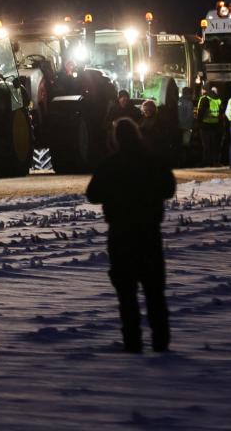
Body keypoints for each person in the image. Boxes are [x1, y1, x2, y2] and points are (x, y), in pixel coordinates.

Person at [86, 118, 175, 353]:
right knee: (154, 292)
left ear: (116, 139)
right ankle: (161, 342)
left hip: (121, 234)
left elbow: (93, 194)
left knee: (127, 295)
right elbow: (168, 188)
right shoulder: (152, 161)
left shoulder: (111, 164)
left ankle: (132, 343)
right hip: (148, 233)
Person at [196, 84, 222, 166]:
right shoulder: (218, 99)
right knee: (214, 144)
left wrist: (198, 123)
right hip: (215, 125)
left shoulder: (205, 99)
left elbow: (201, 113)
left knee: (206, 145)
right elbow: (221, 112)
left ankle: (206, 161)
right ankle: (215, 161)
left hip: (205, 125)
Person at [177, 86, 195, 152]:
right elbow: (190, 115)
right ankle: (184, 158)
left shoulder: (178, 101)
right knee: (185, 144)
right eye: (191, 94)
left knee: (178, 143)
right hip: (186, 127)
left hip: (178, 125)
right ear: (188, 93)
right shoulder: (189, 103)